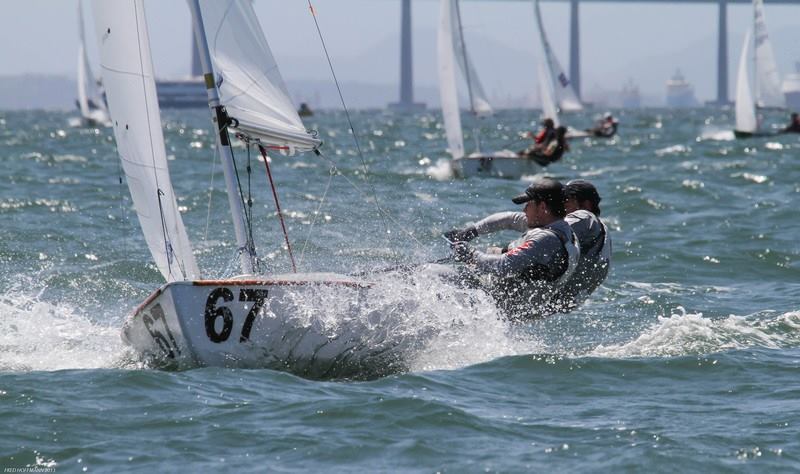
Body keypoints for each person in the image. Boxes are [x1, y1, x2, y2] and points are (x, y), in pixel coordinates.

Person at [445, 178, 580, 320]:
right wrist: (471, 231)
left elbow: (502, 266)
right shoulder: (562, 229)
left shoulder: (546, 239)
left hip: (497, 307)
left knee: (434, 275)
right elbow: (510, 219)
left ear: (542, 207)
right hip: (508, 303)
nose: (524, 209)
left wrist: (469, 253)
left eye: (529, 204)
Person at [546, 180, 611, 314]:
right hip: (563, 303)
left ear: (586, 204)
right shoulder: (602, 230)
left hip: (548, 296)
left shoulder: (584, 217)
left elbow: (548, 235)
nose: (560, 205)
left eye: (566, 200)